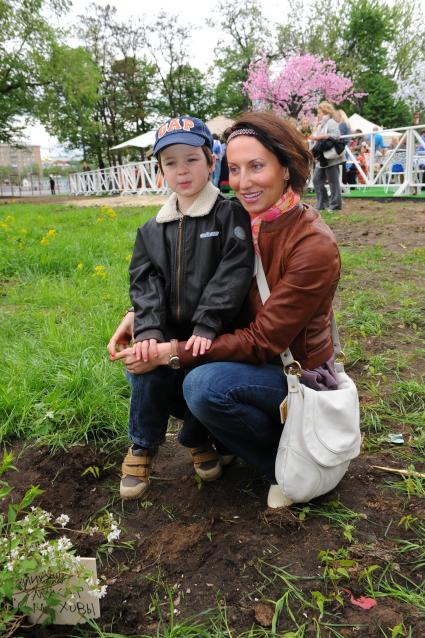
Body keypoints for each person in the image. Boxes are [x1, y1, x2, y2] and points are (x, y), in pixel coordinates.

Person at [108, 111, 341, 509]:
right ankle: (202, 437)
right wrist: (141, 319)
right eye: (236, 169)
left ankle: (281, 467)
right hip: (243, 354)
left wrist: (173, 350)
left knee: (201, 382)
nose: (244, 181)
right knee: (147, 362)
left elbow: (262, 338)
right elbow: (176, 277)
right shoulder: (249, 220)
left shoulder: (307, 243)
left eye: (257, 166)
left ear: (285, 168)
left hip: (291, 368)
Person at [114, 115, 254, 500]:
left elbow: (233, 273)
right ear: (160, 171)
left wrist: (207, 326)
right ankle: (142, 445)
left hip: (216, 334)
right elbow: (145, 284)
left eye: (191, 158)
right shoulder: (150, 229)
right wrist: (149, 333)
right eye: (170, 162)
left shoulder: (229, 215)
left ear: (212, 162)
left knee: (200, 367)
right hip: (168, 332)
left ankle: (195, 437)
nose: (182, 170)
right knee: (143, 360)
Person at [311, 101, 345, 211]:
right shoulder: (321, 124)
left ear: (325, 112)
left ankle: (335, 205)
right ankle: (322, 203)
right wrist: (316, 128)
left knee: (333, 181)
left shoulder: (331, 122)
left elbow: (336, 135)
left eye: (319, 112)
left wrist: (324, 136)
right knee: (316, 179)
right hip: (322, 158)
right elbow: (314, 137)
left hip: (330, 156)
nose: (318, 115)